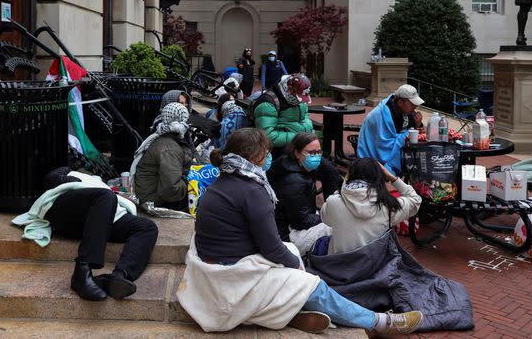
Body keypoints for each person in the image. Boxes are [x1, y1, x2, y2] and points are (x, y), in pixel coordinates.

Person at [178, 127, 423, 334]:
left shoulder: (226, 180)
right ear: (254, 156)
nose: (269, 156)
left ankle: (286, 309)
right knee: (309, 281)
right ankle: (380, 321)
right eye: (266, 151)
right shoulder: (252, 190)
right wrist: (295, 267)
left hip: (218, 259)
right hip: (230, 270)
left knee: (292, 250)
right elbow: (271, 246)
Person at [12, 166, 158, 301]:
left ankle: (118, 277)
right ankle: (81, 273)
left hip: (101, 217)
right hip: (66, 210)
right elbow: (50, 179)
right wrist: (70, 179)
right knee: (106, 196)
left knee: (147, 226)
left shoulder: (100, 183)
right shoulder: (69, 171)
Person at [322, 157, 421, 254]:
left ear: (348, 176)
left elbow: (325, 219)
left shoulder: (333, 202)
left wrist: (345, 184)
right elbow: (415, 200)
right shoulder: (388, 205)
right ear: (379, 177)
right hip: (374, 267)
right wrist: (392, 177)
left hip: (338, 267)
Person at [270, 133, 341, 252]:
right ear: (297, 153)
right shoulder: (295, 182)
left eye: (319, 152)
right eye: (312, 153)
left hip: (293, 222)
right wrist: (327, 216)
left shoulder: (298, 166)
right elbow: (301, 221)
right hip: (289, 236)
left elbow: (331, 173)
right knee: (336, 226)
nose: (317, 157)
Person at [131, 103, 194, 209]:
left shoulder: (164, 138)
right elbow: (170, 190)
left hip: (150, 193)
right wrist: (190, 183)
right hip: (155, 199)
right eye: (186, 121)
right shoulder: (170, 148)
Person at [358, 84, 425, 176]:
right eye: (412, 104)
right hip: (373, 156)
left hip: (390, 149)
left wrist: (418, 125)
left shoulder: (405, 110)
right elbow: (384, 144)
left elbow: (408, 130)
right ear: (400, 102)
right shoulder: (381, 115)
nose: (415, 107)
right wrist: (412, 131)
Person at [253, 73, 314, 157]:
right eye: (297, 96)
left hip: (301, 144)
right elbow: (267, 136)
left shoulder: (300, 100)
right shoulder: (267, 103)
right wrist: (299, 138)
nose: (300, 101)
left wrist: (308, 133)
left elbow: (305, 118)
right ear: (289, 88)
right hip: (279, 150)